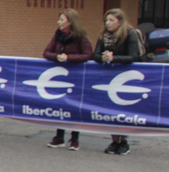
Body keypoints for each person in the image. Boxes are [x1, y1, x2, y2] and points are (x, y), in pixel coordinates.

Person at [93, 8, 143, 155]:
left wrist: (114, 58)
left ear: (120, 22)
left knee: (123, 110)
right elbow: (95, 54)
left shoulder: (129, 34)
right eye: (107, 20)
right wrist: (103, 57)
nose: (108, 23)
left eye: (111, 20)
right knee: (110, 109)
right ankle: (115, 140)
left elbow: (133, 56)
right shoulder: (103, 35)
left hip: (126, 77)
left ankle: (124, 141)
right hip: (108, 76)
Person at [43, 9, 92, 150]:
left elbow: (88, 54)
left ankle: (75, 138)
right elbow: (47, 52)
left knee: (74, 107)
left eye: (62, 19)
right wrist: (57, 57)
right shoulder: (57, 35)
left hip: (75, 75)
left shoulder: (80, 36)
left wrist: (70, 58)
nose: (59, 22)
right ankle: (59, 136)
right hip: (59, 76)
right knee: (60, 105)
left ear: (70, 21)